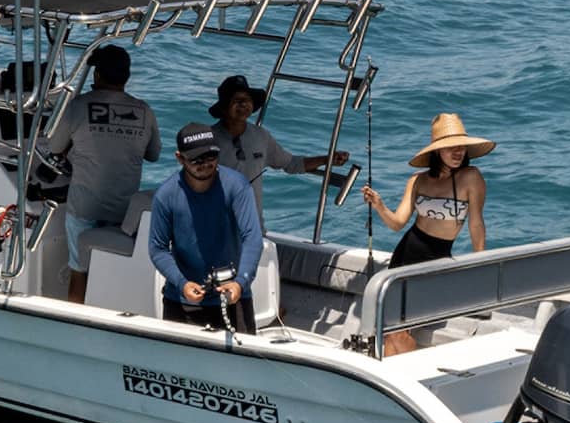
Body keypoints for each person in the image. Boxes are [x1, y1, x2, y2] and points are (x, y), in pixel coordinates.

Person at [42, 44, 161, 303]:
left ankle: (74, 324)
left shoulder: (78, 107)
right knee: (112, 269)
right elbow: (153, 154)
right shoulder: (144, 110)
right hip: (124, 211)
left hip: (85, 207)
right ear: (127, 76)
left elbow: (54, 147)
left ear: (96, 76)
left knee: (79, 269)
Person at [148, 121, 263, 333]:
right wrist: (181, 283)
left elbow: (252, 238)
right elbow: (158, 248)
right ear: (180, 158)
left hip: (234, 296)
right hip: (182, 300)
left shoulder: (237, 186)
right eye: (196, 159)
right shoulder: (166, 195)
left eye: (211, 156)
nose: (205, 163)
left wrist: (240, 282)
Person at [208, 73, 347, 222]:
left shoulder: (261, 136)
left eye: (247, 100)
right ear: (223, 108)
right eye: (236, 100)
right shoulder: (207, 139)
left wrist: (327, 159)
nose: (243, 104)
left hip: (253, 228)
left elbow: (291, 163)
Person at [363, 112, 491, 268]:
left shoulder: (471, 177)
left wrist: (482, 261)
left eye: (462, 146)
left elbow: (476, 223)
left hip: (440, 257)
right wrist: (379, 205)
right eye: (451, 147)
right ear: (438, 150)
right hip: (405, 254)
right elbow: (397, 224)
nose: (459, 151)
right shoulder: (417, 180)